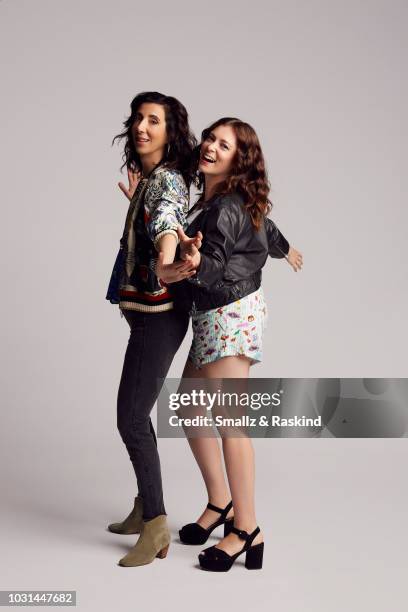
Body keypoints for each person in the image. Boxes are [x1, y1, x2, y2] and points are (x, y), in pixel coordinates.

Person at [166, 117, 303, 571]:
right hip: (218, 314)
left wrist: (192, 257)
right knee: (189, 408)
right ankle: (220, 504)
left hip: (230, 314)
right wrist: (287, 250)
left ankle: (246, 529)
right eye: (210, 138)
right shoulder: (225, 199)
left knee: (230, 421)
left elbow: (216, 267)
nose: (209, 146)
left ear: (236, 160)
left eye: (222, 145)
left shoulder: (223, 207)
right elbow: (269, 226)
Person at [105, 91, 199, 567]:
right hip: (150, 315)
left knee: (131, 417)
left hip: (159, 318)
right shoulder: (154, 181)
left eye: (153, 121)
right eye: (138, 118)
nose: (141, 127)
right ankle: (145, 506)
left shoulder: (165, 183)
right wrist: (137, 203)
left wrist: (165, 263)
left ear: (170, 131)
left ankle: (156, 524)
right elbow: (156, 212)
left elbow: (166, 222)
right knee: (134, 415)